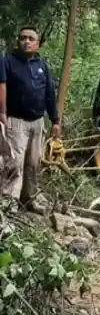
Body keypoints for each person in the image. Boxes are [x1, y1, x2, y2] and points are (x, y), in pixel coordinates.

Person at [0, 26, 61, 209]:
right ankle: (8, 202)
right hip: (16, 121)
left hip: (37, 122)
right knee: (15, 162)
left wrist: (55, 120)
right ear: (18, 41)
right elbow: (2, 88)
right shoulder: (7, 62)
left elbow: (49, 93)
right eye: (23, 38)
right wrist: (2, 113)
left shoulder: (42, 65)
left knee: (33, 163)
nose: (26, 41)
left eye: (30, 38)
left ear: (37, 43)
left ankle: (29, 199)